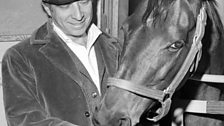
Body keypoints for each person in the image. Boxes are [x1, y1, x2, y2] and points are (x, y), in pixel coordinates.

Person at [1, 0, 121, 125]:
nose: (78, 15)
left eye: (84, 2)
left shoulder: (117, 47)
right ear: (47, 9)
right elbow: (24, 121)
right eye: (65, 6)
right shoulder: (19, 57)